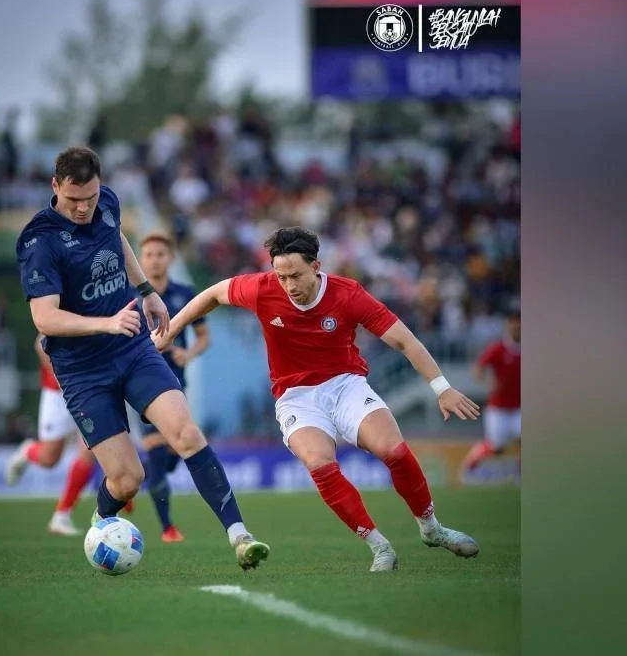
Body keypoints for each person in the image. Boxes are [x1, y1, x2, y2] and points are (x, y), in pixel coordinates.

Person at [155, 226, 480, 572]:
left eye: (296, 275)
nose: (289, 285)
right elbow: (213, 294)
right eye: (281, 277)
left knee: (394, 451)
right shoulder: (263, 288)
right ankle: (379, 546)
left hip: (346, 385)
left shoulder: (348, 294)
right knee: (319, 463)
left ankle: (431, 528)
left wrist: (442, 388)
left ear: (316, 266)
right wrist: (170, 330)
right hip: (295, 397)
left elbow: (405, 340)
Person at [15, 146, 269, 570]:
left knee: (186, 434)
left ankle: (240, 536)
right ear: (55, 186)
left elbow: (116, 239)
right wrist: (106, 323)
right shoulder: (39, 241)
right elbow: (45, 318)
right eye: (74, 199)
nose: (84, 208)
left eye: (91, 197)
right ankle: (101, 520)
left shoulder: (107, 203)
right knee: (128, 480)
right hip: (82, 371)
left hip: (131, 348)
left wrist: (146, 291)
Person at [135, 232, 211, 543]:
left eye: (160, 254)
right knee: (158, 459)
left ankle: (129, 477)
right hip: (142, 385)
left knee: (173, 457)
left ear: (171, 259)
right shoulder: (130, 296)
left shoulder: (185, 294)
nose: (154, 260)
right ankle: (167, 528)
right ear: (140, 260)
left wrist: (188, 354)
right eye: (148, 255)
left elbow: (204, 337)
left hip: (176, 385)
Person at [4, 333, 99, 535]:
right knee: (49, 458)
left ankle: (62, 516)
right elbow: (40, 344)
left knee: (90, 450)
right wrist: (63, 377)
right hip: (57, 393)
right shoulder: (67, 311)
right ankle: (28, 451)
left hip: (90, 388)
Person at [463, 309, 521, 472]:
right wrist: (488, 382)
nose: (517, 326)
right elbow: (477, 369)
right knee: (497, 447)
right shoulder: (498, 348)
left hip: (519, 407)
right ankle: (474, 456)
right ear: (508, 325)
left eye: (519, 322)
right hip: (499, 408)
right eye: (513, 322)